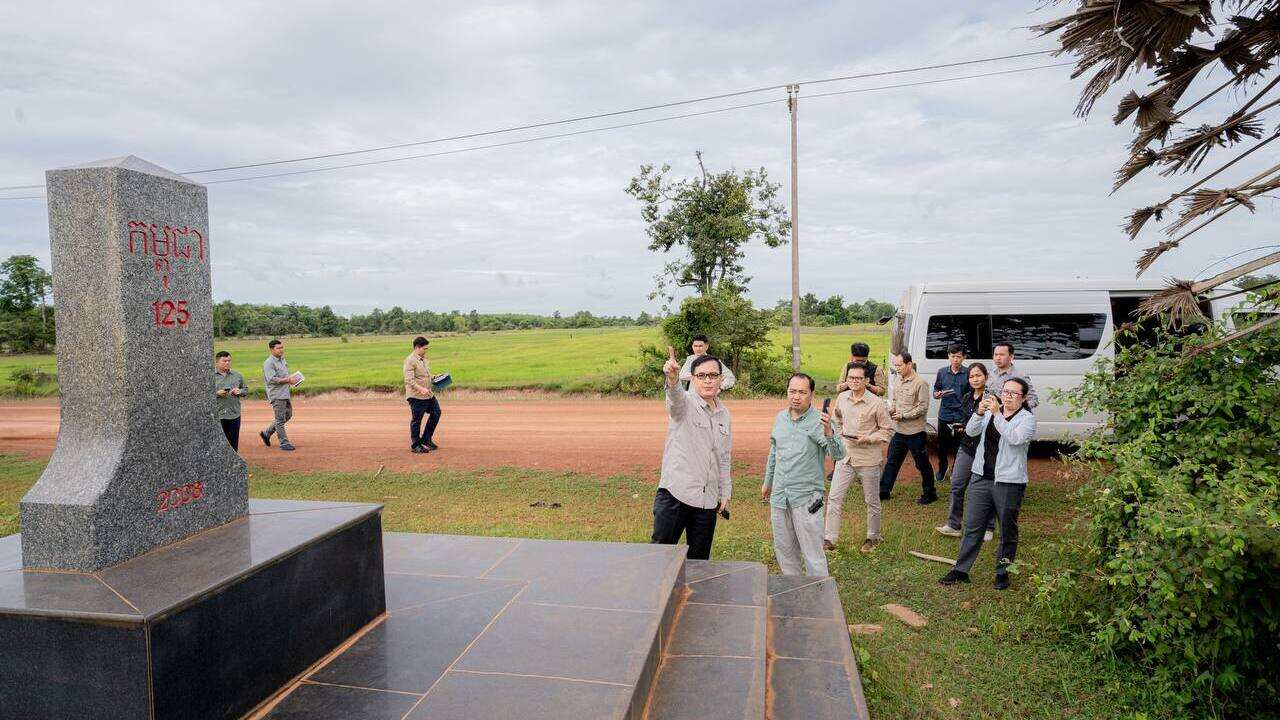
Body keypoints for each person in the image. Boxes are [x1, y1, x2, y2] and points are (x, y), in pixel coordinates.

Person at [939, 377, 1037, 590]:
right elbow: (972, 431)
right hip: (981, 477)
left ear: (1023, 397)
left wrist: (996, 414)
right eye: (1005, 392)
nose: (1008, 396)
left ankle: (1003, 573)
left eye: (1013, 393)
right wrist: (980, 412)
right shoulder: (993, 412)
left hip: (1009, 482)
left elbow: (1014, 439)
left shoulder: (1026, 419)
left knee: (1007, 530)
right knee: (972, 526)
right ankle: (961, 570)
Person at [653, 346, 732, 560]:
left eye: (713, 375)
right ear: (693, 379)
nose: (708, 380)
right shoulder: (685, 404)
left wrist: (725, 492)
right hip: (675, 495)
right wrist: (672, 380)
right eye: (702, 375)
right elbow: (675, 400)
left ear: (721, 379)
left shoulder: (724, 415)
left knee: (699, 564)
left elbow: (724, 457)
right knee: (659, 559)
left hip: (707, 503)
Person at [762, 373, 844, 576]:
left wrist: (829, 434)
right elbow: (774, 452)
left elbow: (838, 454)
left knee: (812, 554)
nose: (796, 396)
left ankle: (819, 598)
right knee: (785, 551)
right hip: (780, 496)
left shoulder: (819, 421)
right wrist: (768, 482)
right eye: (792, 391)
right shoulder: (781, 418)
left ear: (811, 394)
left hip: (806, 499)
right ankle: (795, 594)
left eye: (802, 392)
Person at [826, 362, 894, 553]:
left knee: (871, 501)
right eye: (850, 378)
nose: (854, 381)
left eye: (858, 378)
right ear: (846, 380)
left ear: (866, 380)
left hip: (868, 460)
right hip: (845, 458)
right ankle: (830, 539)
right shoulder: (842, 397)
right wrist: (839, 436)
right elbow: (836, 419)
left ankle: (873, 537)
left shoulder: (876, 403)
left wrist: (869, 438)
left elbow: (887, 430)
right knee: (834, 498)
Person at [935, 363, 996, 541]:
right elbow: (966, 420)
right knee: (957, 484)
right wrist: (961, 426)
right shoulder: (967, 397)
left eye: (978, 375)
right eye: (971, 376)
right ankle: (954, 525)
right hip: (967, 446)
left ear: (986, 377)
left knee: (985, 488)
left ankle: (988, 527)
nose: (975, 379)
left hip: (986, 450)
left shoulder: (991, 399)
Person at [878, 352, 936, 503]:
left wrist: (903, 415)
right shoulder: (898, 380)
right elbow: (895, 400)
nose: (896, 368)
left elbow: (923, 408)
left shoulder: (920, 383)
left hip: (915, 432)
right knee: (892, 461)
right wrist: (892, 409)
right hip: (899, 431)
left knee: (922, 464)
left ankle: (930, 494)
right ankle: (883, 491)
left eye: (899, 365)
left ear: (909, 364)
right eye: (895, 365)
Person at [932, 344, 970, 487]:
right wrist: (937, 394)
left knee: (960, 446)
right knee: (942, 445)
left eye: (958, 357)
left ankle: (956, 470)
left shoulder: (968, 373)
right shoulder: (941, 372)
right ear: (948, 356)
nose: (955, 359)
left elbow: (972, 394)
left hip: (961, 415)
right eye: (953, 356)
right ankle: (942, 469)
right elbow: (936, 389)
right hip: (945, 414)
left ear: (964, 358)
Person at [404, 336, 441, 453]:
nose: (426, 351)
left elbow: (425, 375)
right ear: (417, 347)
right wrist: (420, 389)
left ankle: (426, 439)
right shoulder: (410, 360)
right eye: (424, 349)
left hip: (428, 394)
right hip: (416, 396)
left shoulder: (423, 359)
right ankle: (415, 445)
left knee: (436, 412)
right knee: (417, 420)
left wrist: (436, 377)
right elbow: (409, 380)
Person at [259, 339, 298, 452]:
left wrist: (294, 380)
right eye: (278, 348)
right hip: (277, 395)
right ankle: (284, 443)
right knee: (280, 419)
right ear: (272, 349)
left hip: (285, 393)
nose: (281, 350)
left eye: (282, 348)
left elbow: (284, 375)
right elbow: (272, 379)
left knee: (288, 415)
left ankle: (266, 433)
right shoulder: (269, 363)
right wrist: (288, 380)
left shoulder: (282, 360)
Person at [213, 350, 247, 451]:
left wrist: (239, 391)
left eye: (229, 361)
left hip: (234, 414)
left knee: (233, 442)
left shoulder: (237, 375)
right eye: (224, 361)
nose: (227, 363)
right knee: (217, 444)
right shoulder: (209, 376)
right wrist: (216, 394)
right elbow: (202, 395)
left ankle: (233, 466)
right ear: (217, 362)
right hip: (217, 415)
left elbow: (245, 390)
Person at [989, 342, 1039, 409]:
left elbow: (1034, 400)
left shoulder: (1020, 376)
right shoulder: (990, 374)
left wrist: (1016, 410)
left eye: (1002, 355)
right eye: (996, 355)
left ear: (1011, 357)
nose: (998, 358)